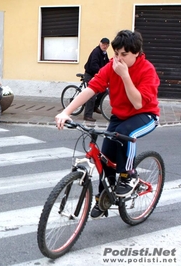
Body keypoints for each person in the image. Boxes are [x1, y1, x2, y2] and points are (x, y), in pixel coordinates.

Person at [55, 30, 160, 218]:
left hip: (146, 115)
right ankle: (104, 197)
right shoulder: (112, 66)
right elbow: (92, 88)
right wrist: (66, 112)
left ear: (136, 52)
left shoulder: (147, 70)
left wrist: (125, 76)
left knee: (125, 133)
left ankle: (129, 176)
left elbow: (138, 103)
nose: (118, 59)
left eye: (124, 55)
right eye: (116, 53)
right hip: (119, 116)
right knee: (106, 156)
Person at [83, 38, 110, 121]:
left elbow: (107, 64)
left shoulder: (104, 53)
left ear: (108, 46)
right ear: (100, 43)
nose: (104, 46)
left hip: (97, 75)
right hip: (90, 75)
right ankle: (87, 115)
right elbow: (93, 65)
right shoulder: (96, 52)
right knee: (91, 94)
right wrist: (102, 72)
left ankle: (94, 107)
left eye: (106, 44)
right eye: (103, 44)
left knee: (104, 91)